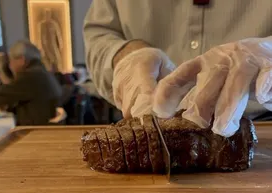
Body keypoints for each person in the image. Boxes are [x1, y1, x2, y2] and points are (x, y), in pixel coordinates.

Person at [84, 0, 272, 137]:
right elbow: (100, 33)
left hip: (257, 127)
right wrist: (125, 54)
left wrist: (267, 51)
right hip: (143, 127)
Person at [0, 40, 62, 126]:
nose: (10, 65)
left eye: (11, 61)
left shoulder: (30, 76)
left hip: (34, 131)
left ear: (21, 60)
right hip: (41, 125)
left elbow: (1, 95)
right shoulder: (40, 72)